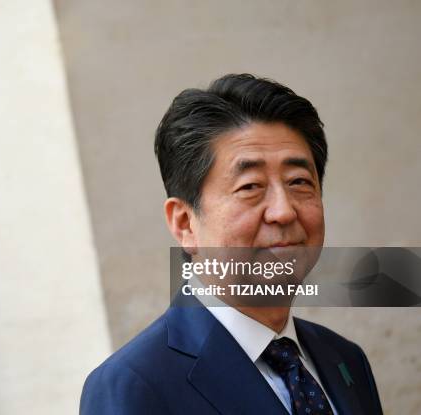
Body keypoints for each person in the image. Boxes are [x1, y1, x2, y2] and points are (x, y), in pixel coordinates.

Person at [80, 74, 383, 414]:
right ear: (184, 223)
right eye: (250, 186)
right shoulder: (135, 386)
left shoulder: (344, 359)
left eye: (299, 182)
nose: (283, 211)